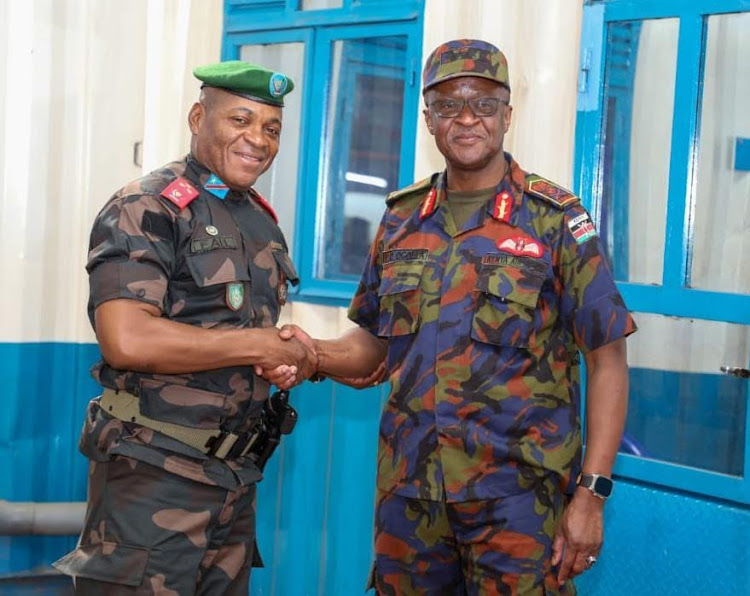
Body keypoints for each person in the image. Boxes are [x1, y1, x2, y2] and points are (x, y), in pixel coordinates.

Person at [264, 39, 636, 594]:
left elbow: (607, 361)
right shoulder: (400, 220)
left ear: (507, 116)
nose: (466, 118)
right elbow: (376, 346)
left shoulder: (555, 219)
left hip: (519, 502)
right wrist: (311, 354)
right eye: (447, 105)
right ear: (428, 120)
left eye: (483, 104)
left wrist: (591, 494)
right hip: (409, 497)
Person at [53, 60, 315, 594]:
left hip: (234, 482)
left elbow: (232, 336)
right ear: (199, 117)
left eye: (271, 128)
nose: (257, 140)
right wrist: (256, 343)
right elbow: (128, 339)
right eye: (240, 120)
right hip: (153, 478)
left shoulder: (259, 221)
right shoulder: (148, 207)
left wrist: (275, 362)